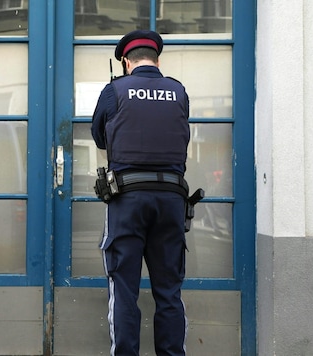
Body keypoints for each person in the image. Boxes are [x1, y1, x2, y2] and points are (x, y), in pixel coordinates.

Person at [91, 30, 191, 356]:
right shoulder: (178, 91)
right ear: (157, 60)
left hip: (127, 199)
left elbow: (99, 136)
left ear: (125, 61)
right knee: (169, 293)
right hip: (172, 201)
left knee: (123, 291)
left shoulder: (114, 90)